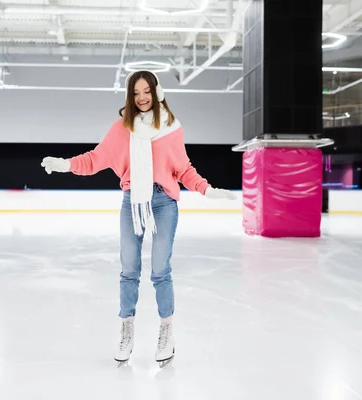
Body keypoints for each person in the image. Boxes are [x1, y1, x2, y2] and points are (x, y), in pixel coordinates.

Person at [41, 70, 236, 365]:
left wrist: (206, 189)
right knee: (129, 270)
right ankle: (126, 330)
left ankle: (166, 333)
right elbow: (96, 159)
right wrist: (65, 165)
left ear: (157, 92)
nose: (142, 97)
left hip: (164, 203)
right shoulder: (122, 129)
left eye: (147, 91)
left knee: (160, 271)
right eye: (136, 93)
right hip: (133, 201)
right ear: (130, 97)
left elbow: (183, 169)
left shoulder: (171, 127)